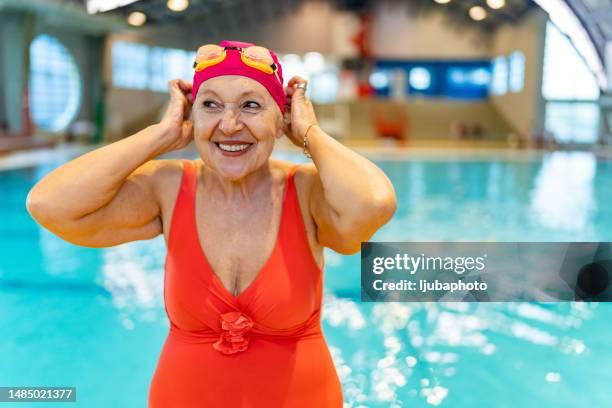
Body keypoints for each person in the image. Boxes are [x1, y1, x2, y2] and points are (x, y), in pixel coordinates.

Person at [26, 40, 397, 407]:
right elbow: (49, 205)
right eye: (211, 106)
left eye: (251, 105)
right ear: (191, 116)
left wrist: (309, 133)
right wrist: (160, 135)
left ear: (279, 118)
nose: (230, 124)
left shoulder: (306, 193)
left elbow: (374, 203)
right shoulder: (168, 189)